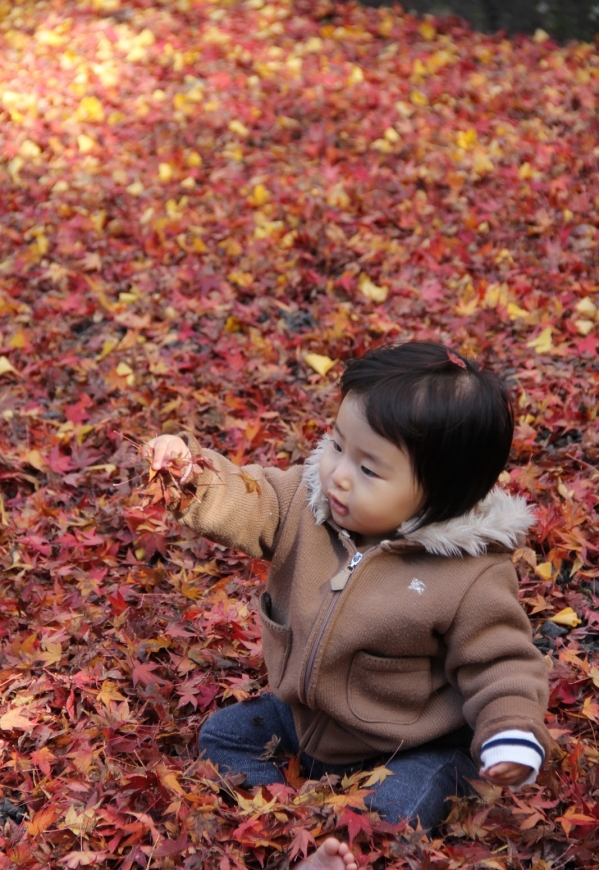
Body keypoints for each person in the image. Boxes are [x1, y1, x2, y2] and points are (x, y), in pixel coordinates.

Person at [143, 341, 551, 870]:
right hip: (307, 718)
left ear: (440, 495)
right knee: (222, 735)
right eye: (337, 445)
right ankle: (289, 827)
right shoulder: (307, 505)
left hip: (408, 743)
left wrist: (511, 732)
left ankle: (346, 854)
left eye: (370, 470)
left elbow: (502, 662)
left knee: (397, 808)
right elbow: (253, 496)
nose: (337, 473)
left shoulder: (469, 575)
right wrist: (191, 473)